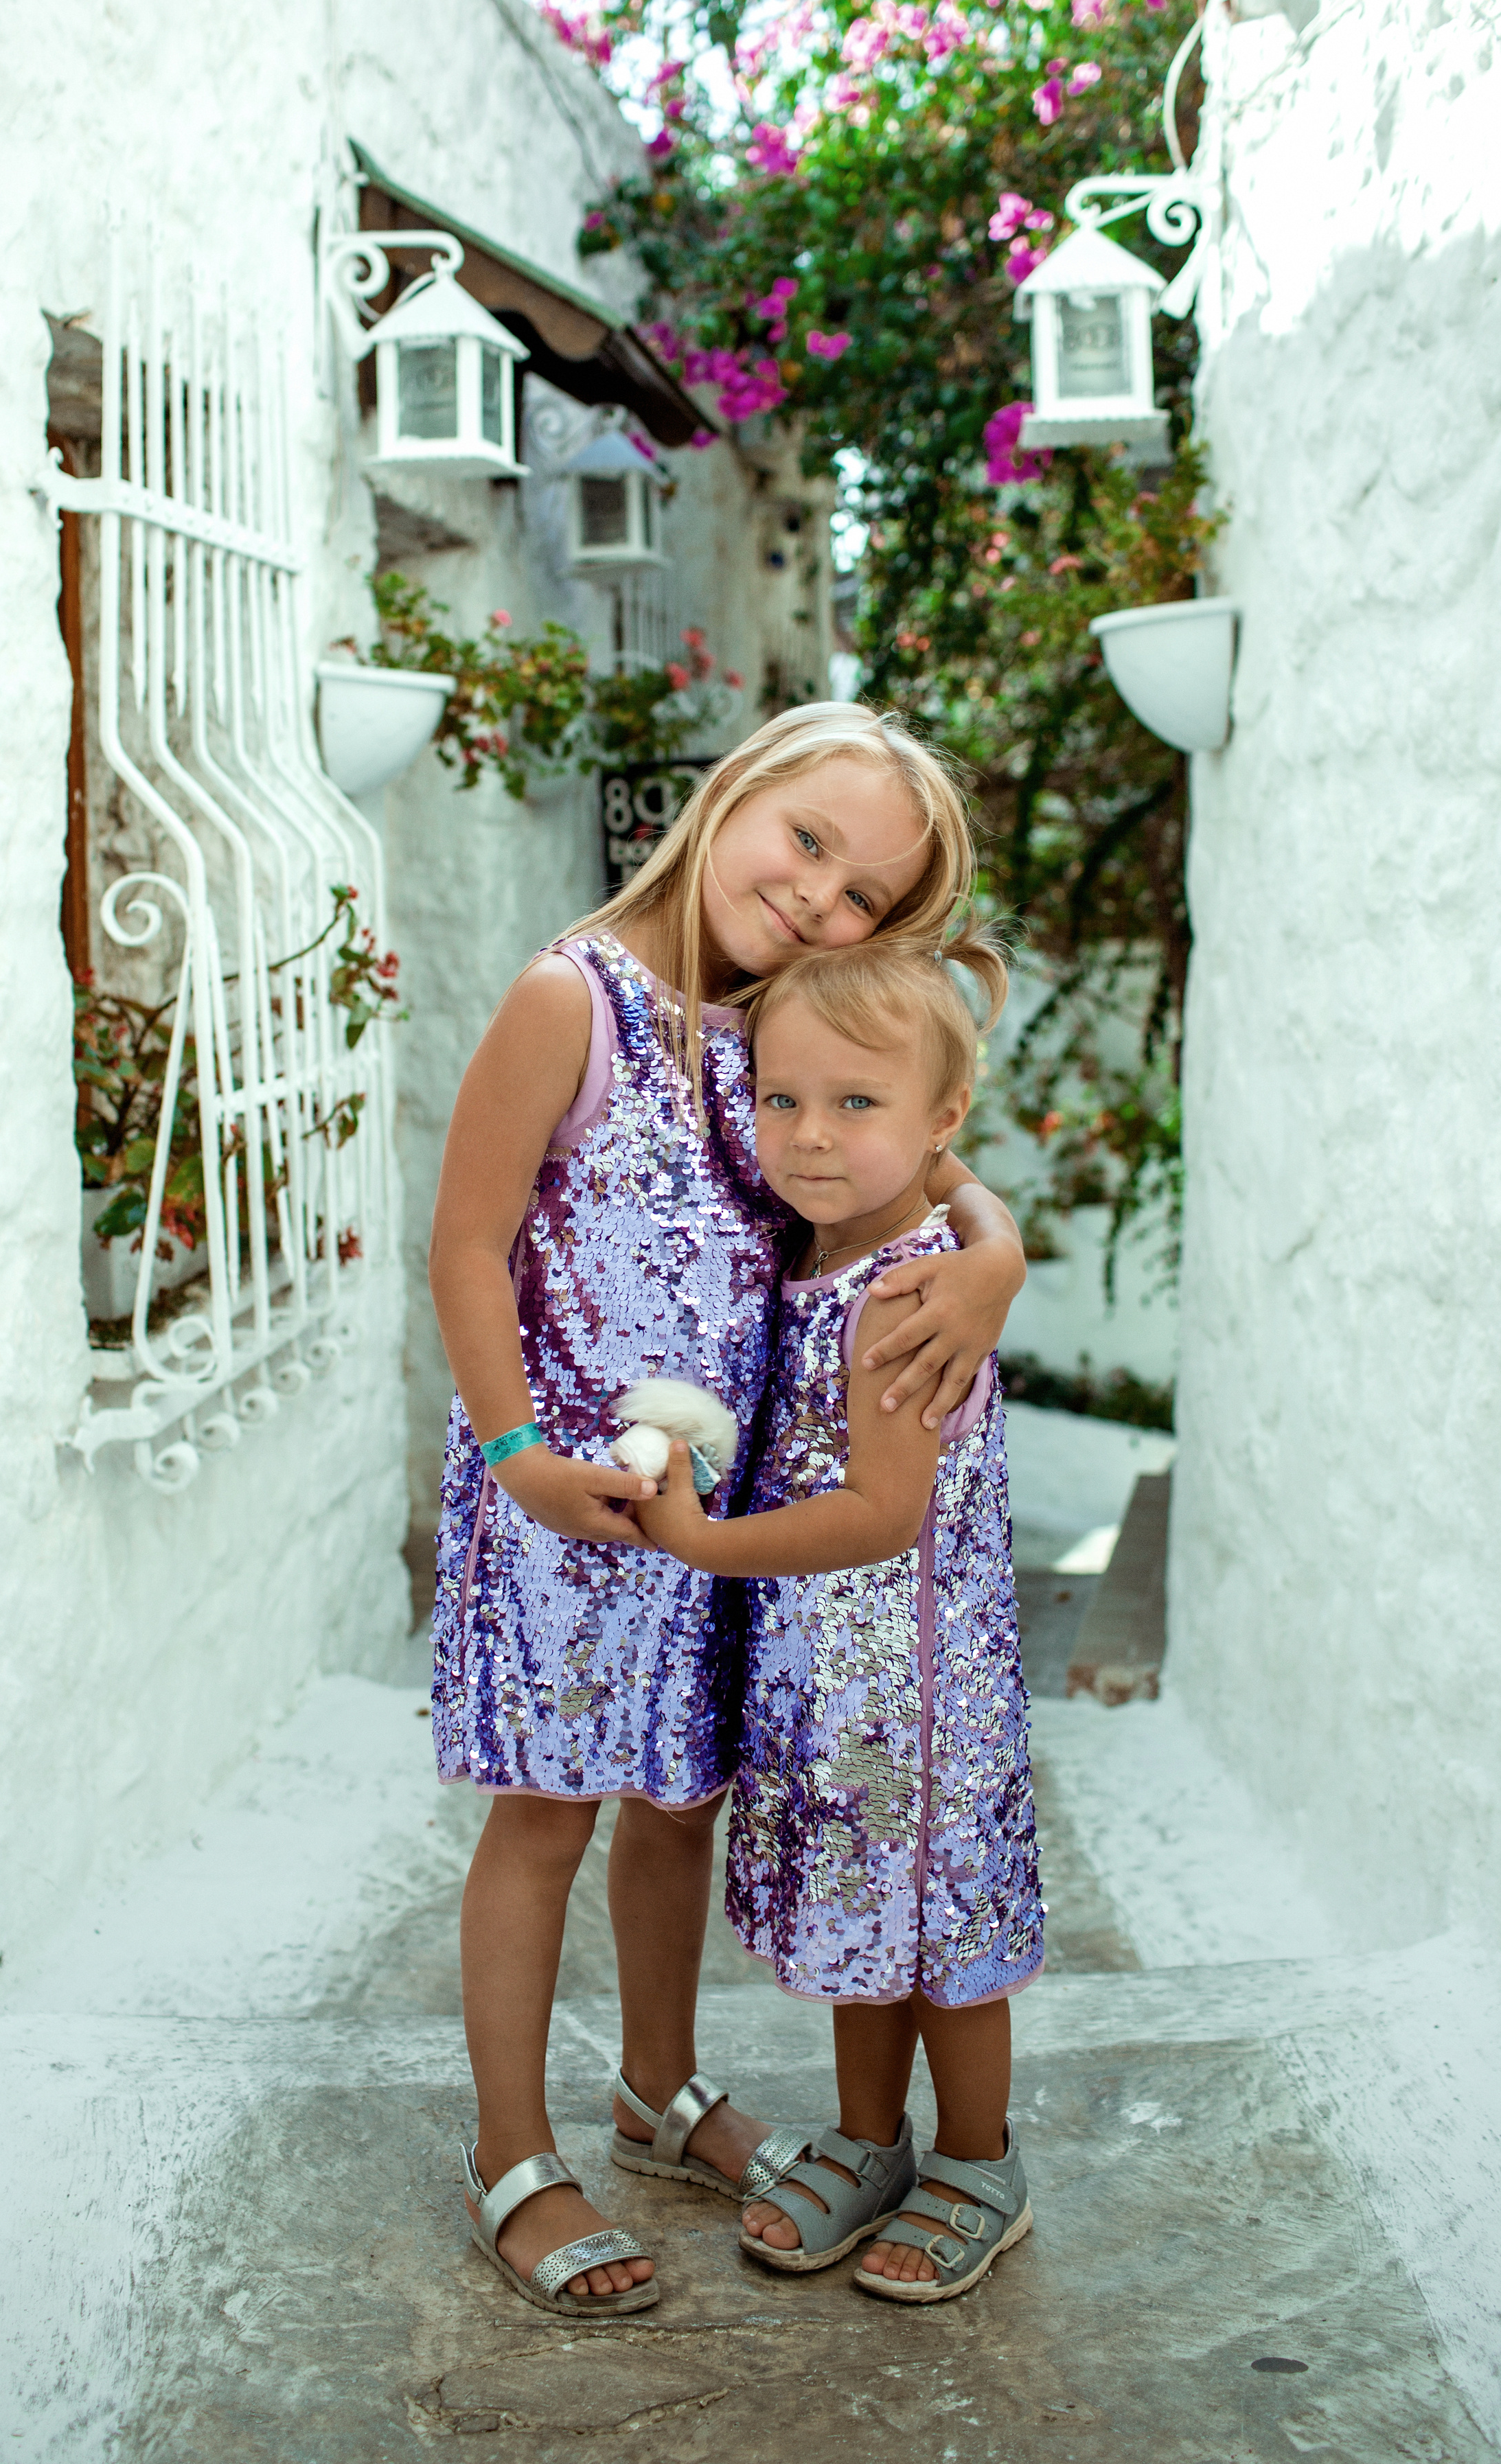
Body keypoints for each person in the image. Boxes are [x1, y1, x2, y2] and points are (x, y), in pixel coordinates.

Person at [426, 702, 1027, 2314]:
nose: (821, 901)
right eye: (809, 842)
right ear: (739, 789)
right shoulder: (574, 997)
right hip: (560, 1494)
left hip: (719, 1509)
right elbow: (466, 1245)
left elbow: (920, 1134)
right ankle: (508, 2150)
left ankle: (656, 2090)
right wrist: (512, 1459)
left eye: (863, 901)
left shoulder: (785, 1012)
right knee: (546, 1815)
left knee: (679, 1805)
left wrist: (997, 1249)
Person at [635, 931, 1042, 2305]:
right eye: (779, 1099)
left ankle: (977, 2161)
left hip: (915, 1696)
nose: (807, 1137)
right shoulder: (827, 1240)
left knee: (941, 1949)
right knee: (865, 1931)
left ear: (939, 1123)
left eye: (853, 1105)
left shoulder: (902, 1295)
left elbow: (878, 1514)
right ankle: (870, 2141)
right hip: (834, 1685)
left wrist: (700, 1541)